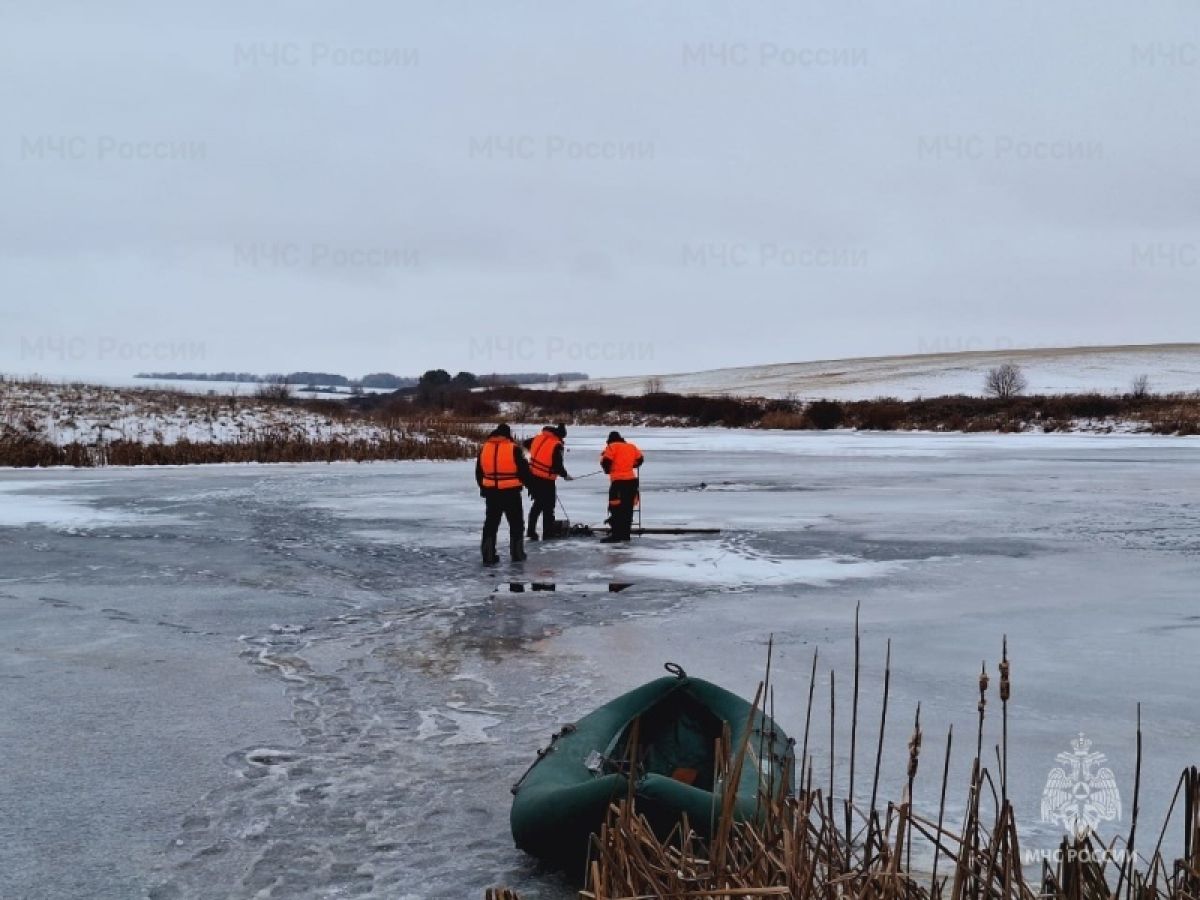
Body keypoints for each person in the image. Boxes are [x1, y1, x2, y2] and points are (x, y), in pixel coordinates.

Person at [475, 423, 532, 565]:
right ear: (508, 434)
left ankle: (488, 556)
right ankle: (517, 554)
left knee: (491, 524)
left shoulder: (484, 449)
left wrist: (483, 488)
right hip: (511, 493)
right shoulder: (513, 449)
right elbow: (524, 471)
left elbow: (479, 472)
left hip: (491, 493)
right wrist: (531, 486)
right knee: (516, 523)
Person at [525, 423, 572, 541]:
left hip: (533, 476)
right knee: (548, 506)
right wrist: (565, 475)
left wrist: (536, 455)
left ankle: (531, 531)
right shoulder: (556, 444)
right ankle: (548, 532)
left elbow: (526, 443)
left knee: (538, 504)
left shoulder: (539, 437)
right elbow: (557, 465)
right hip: (546, 479)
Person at [599, 431, 643, 543]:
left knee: (616, 508)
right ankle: (625, 535)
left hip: (618, 482)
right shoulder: (631, 446)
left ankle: (616, 535)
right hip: (631, 482)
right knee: (628, 509)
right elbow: (640, 459)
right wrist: (631, 465)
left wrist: (608, 470)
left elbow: (606, 461)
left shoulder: (612, 447)